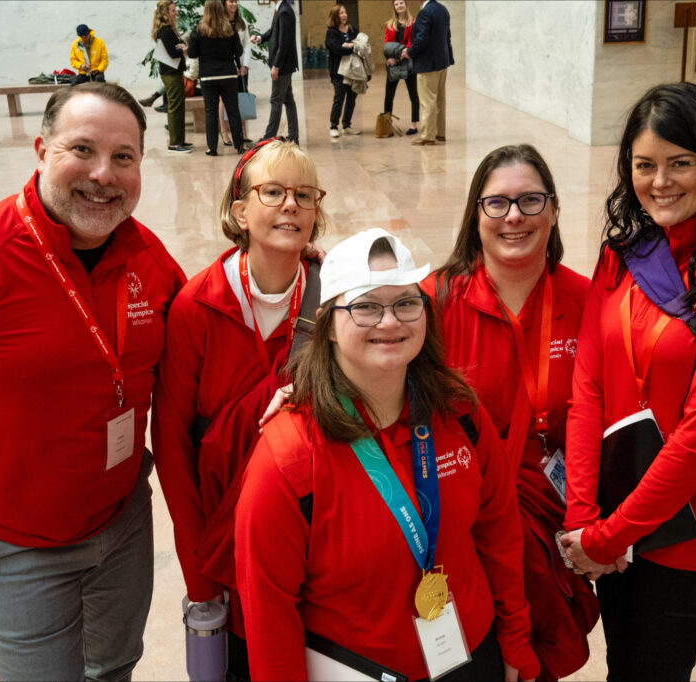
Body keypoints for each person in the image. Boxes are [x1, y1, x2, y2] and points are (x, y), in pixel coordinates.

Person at [0, 82, 186, 680]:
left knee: (114, 666)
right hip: (12, 544)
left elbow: (204, 345)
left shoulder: (146, 257)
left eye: (124, 157)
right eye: (81, 149)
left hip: (122, 518)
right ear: (40, 150)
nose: (103, 175)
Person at [236, 228, 541, 682]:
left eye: (405, 302)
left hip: (470, 656)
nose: (390, 321)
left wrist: (515, 637)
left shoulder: (460, 413)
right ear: (327, 326)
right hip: (360, 670)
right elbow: (269, 614)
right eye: (365, 306)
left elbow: (498, 534)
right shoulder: (289, 457)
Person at [560, 82, 696, 680]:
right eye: (644, 165)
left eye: (680, 163)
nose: (660, 181)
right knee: (623, 664)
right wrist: (583, 515)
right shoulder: (623, 254)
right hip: (609, 517)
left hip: (692, 533)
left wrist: (608, 536)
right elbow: (588, 392)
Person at [422, 144, 599, 681]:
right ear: (475, 216)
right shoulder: (434, 301)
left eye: (530, 200)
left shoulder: (589, 301)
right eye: (496, 204)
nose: (514, 216)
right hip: (460, 517)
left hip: (548, 514)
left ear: (554, 210)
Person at [153, 138, 326, 680]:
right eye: (272, 191)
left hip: (308, 536)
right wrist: (200, 579)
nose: (290, 205)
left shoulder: (335, 301)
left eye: (304, 194)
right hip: (224, 545)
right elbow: (174, 448)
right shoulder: (197, 305)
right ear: (240, 211)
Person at [189, 0, 245, 156]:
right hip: (228, 74)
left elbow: (192, 53)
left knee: (211, 112)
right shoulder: (229, 28)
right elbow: (238, 51)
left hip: (208, 77)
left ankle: (212, 148)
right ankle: (239, 145)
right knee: (233, 110)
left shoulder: (199, 30)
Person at [402, 0, 452, 146]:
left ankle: (428, 136)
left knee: (427, 101)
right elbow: (447, 36)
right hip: (442, 62)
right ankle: (440, 133)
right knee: (440, 99)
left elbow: (422, 38)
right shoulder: (443, 9)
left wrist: (409, 52)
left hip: (428, 64)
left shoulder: (425, 12)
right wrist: (448, 57)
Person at [251, 0, 300, 145]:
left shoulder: (284, 11)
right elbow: (274, 31)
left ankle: (268, 138)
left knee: (276, 100)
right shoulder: (281, 9)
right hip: (284, 64)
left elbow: (284, 43)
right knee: (288, 100)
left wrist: (276, 66)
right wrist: (260, 38)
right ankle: (294, 136)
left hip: (283, 65)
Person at [153, 0, 192, 153]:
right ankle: (175, 143)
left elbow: (175, 46)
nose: (176, 13)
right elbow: (172, 52)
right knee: (175, 107)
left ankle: (180, 140)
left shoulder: (168, 30)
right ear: (165, 13)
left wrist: (180, 46)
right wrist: (184, 49)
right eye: (172, 10)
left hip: (174, 71)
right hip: (170, 72)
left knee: (179, 106)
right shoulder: (165, 31)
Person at [383, 0, 419, 136]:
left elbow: (412, 41)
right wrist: (389, 58)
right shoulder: (390, 24)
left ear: (406, 4)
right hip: (393, 63)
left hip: (408, 61)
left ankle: (414, 124)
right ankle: (387, 125)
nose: (399, 5)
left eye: (401, 3)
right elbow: (387, 43)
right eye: (397, 4)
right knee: (389, 95)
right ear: (394, 7)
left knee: (413, 94)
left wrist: (405, 52)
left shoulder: (413, 23)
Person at [222, 0, 253, 150]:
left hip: (242, 67)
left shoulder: (242, 22)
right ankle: (225, 132)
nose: (234, 4)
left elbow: (247, 44)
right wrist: (233, 65)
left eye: (235, 1)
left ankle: (244, 132)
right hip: (228, 67)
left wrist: (245, 64)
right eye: (230, 1)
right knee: (226, 99)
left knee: (242, 97)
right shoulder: (220, 22)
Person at [325, 4, 359, 139]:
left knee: (352, 98)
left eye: (345, 13)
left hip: (353, 71)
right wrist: (352, 46)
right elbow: (337, 49)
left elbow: (362, 44)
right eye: (341, 13)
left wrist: (349, 45)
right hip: (338, 72)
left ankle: (346, 125)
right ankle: (333, 126)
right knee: (339, 98)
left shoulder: (352, 30)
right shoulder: (331, 32)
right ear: (335, 16)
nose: (344, 15)